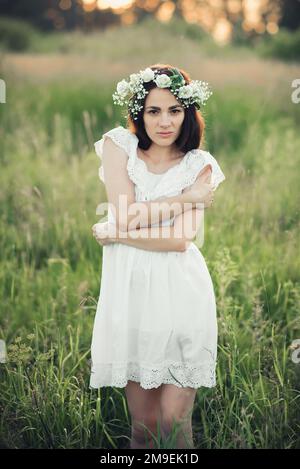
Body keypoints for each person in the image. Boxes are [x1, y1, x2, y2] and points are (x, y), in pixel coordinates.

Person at [89, 64, 226, 449]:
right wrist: (185, 199)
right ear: (138, 113)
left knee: (173, 421)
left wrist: (118, 233)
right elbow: (124, 212)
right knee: (144, 425)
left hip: (181, 293)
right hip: (130, 294)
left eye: (174, 111)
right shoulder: (119, 147)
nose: (164, 121)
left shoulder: (200, 165)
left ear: (188, 114)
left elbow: (181, 240)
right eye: (153, 111)